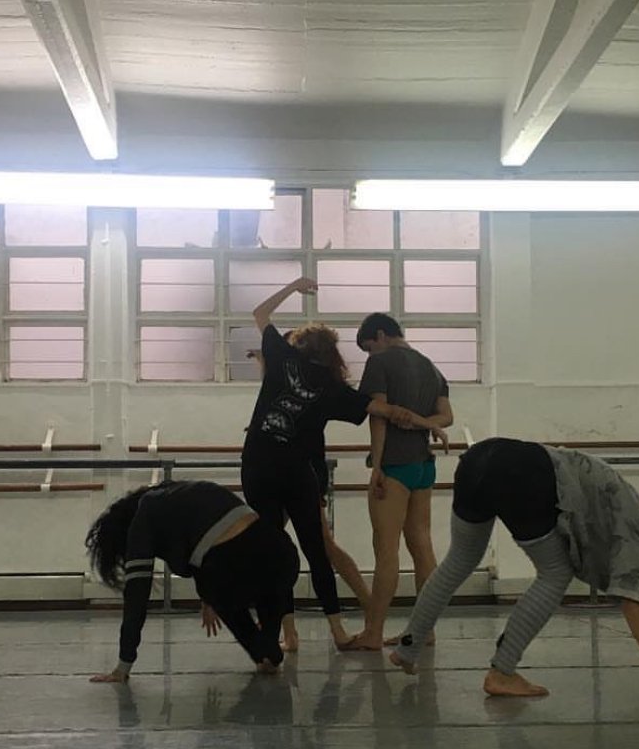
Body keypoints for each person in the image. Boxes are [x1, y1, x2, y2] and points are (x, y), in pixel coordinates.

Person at [388, 437, 639, 712]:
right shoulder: (637, 535)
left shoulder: (628, 518)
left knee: (459, 560)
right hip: (526, 473)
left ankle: (407, 649)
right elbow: (635, 604)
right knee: (554, 573)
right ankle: (502, 673)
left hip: (481, 458)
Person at [241, 278, 443, 649]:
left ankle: (304, 631)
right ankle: (356, 628)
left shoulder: (288, 360)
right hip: (314, 471)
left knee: (283, 549)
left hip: (264, 465)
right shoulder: (341, 386)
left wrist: (294, 286)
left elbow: (260, 313)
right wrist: (428, 423)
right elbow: (383, 410)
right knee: (330, 549)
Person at [86, 480, 299, 681]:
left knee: (215, 585)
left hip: (234, 571)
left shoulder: (144, 516)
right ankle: (268, 652)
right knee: (262, 589)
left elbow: (137, 596)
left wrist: (123, 666)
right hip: (283, 556)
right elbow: (219, 539)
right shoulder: (183, 492)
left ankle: (264, 651)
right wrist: (208, 598)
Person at [340, 313, 453, 651]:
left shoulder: (380, 363)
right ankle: (425, 629)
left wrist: (377, 465)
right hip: (424, 465)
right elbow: (446, 416)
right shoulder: (431, 367)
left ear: (380, 335)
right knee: (422, 546)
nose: (369, 355)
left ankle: (373, 632)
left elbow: (377, 415)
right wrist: (424, 423)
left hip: (394, 464)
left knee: (386, 551)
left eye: (368, 348)